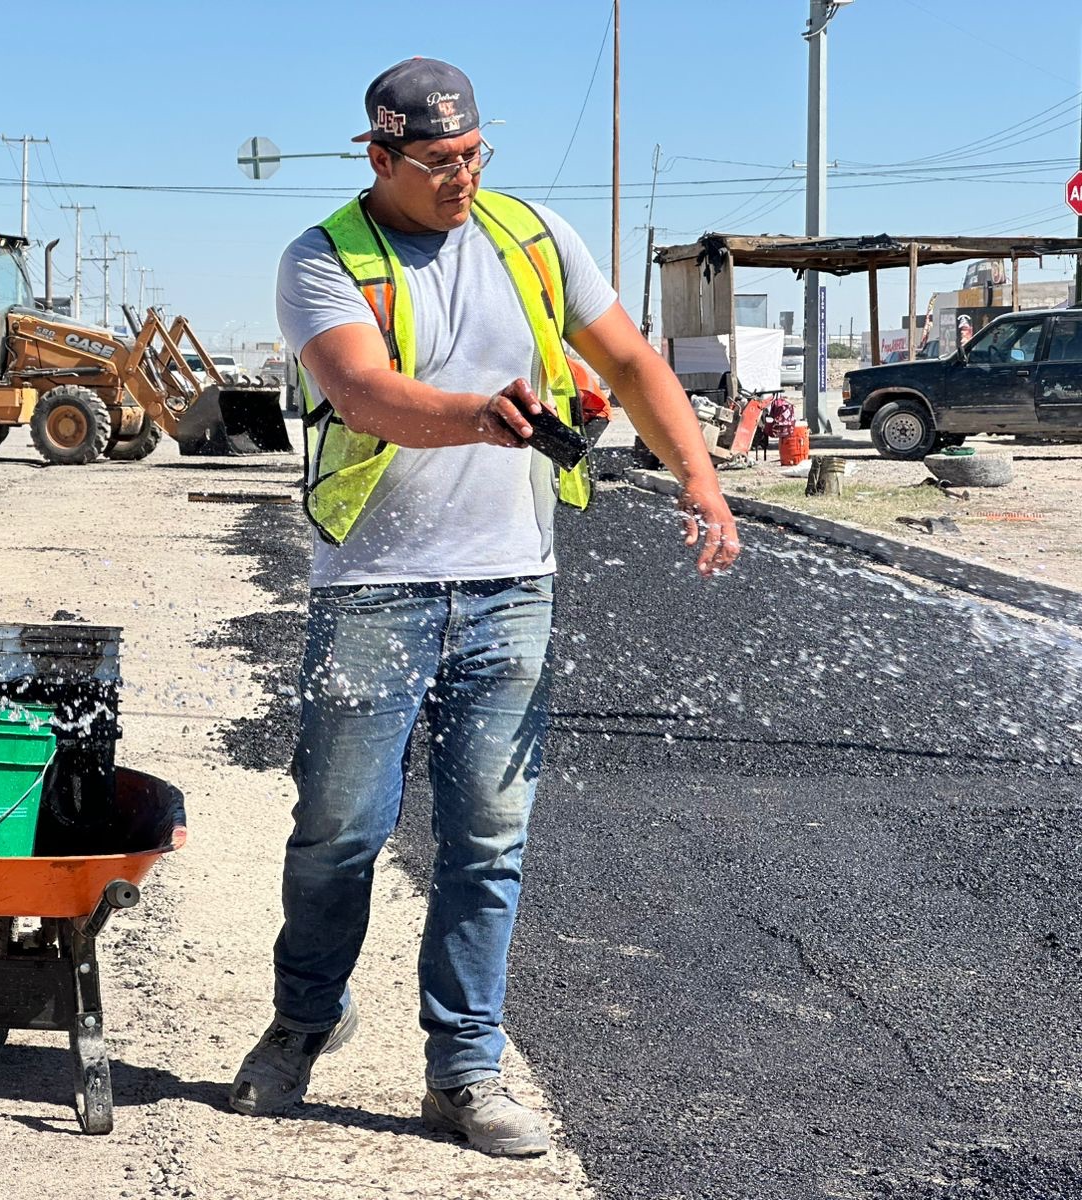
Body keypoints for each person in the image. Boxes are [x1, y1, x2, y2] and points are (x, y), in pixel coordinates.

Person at [228, 57, 739, 1157]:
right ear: (380, 156)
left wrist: (699, 476)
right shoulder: (323, 258)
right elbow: (364, 392)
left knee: (487, 840)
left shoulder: (533, 237)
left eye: (474, 154)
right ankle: (303, 1021)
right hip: (373, 588)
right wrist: (476, 415)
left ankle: (463, 1069)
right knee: (340, 832)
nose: (462, 176)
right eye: (438, 161)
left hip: (513, 586)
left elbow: (629, 359)